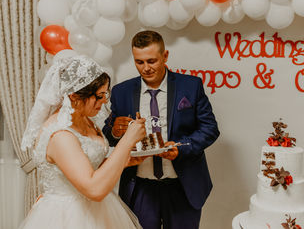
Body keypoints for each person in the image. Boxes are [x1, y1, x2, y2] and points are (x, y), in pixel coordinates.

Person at [102, 30, 220, 229]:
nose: (146, 68)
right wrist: (114, 131)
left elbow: (210, 129)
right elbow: (109, 135)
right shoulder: (121, 92)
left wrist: (181, 148)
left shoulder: (191, 86)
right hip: (139, 187)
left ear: (165, 56)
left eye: (152, 61)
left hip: (183, 186)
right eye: (139, 62)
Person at [19, 55, 146, 229]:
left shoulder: (87, 120)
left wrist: (122, 161)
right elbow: (94, 189)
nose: (104, 102)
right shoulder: (60, 135)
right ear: (74, 95)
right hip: (67, 216)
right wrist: (127, 140)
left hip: (100, 211)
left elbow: (88, 167)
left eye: (105, 94)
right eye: (99, 96)